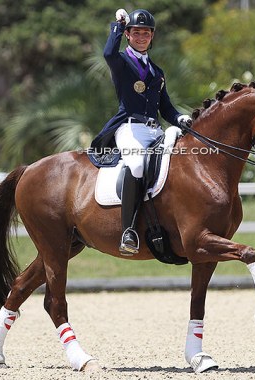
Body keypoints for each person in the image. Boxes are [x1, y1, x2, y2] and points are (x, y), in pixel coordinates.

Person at [90, 8, 192, 256]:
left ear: (152, 36)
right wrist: (117, 24)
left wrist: (180, 117)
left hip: (155, 130)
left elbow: (165, 107)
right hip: (129, 128)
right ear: (128, 35)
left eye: (146, 33)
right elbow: (107, 52)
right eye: (136, 32)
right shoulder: (121, 63)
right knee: (136, 165)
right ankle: (128, 231)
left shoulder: (157, 72)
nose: (142, 37)